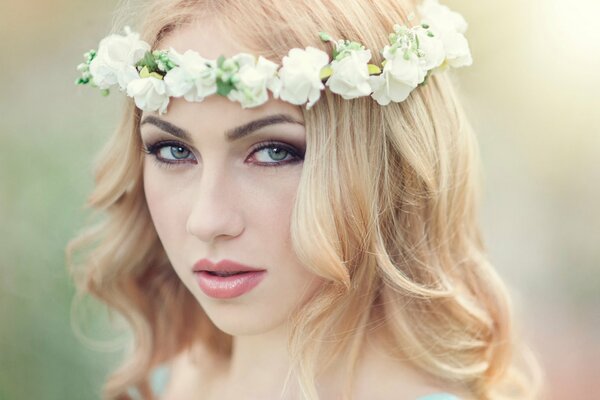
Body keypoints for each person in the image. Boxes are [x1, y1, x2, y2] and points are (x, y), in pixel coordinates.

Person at [68, 0, 542, 399]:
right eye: (173, 150)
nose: (207, 220)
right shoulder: (165, 381)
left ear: (385, 165)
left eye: (274, 152)